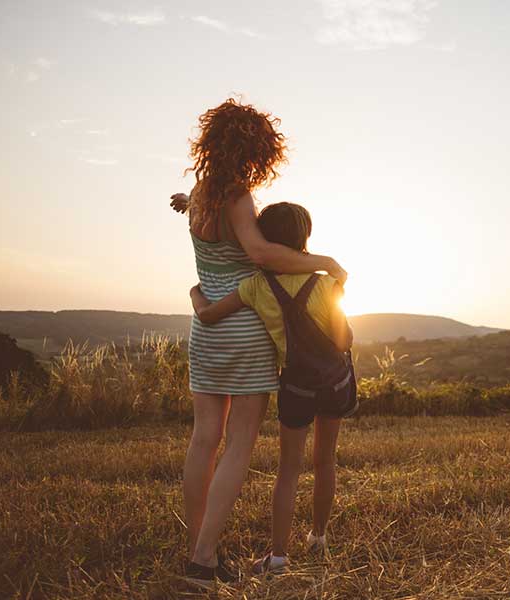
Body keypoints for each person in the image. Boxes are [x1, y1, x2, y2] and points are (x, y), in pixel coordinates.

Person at [173, 98, 348, 588]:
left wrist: (185, 205)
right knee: (239, 443)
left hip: (206, 329)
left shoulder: (201, 193)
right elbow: (260, 253)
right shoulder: (238, 196)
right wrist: (324, 262)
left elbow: (218, 231)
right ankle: (204, 560)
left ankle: (197, 550)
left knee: (203, 439)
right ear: (255, 150)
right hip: (243, 329)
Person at [190, 202, 356, 576]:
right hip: (334, 382)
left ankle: (278, 557)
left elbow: (208, 315)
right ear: (305, 239)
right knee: (325, 460)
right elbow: (343, 339)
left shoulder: (254, 285)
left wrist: (194, 294)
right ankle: (318, 538)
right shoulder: (327, 284)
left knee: (288, 470)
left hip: (296, 384)